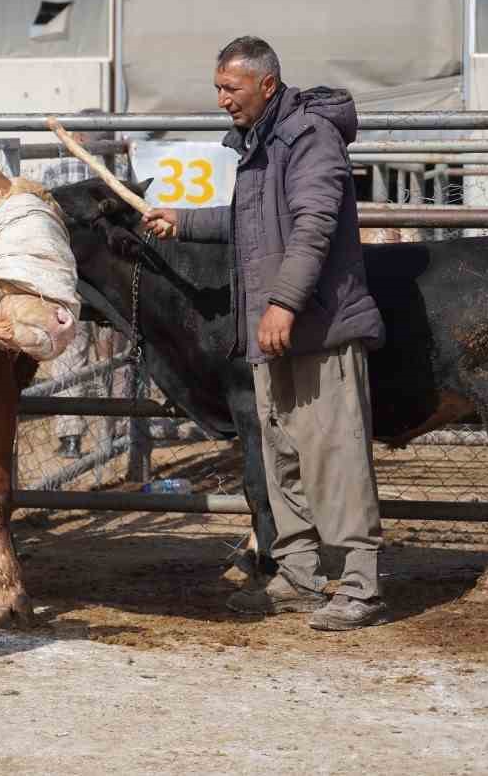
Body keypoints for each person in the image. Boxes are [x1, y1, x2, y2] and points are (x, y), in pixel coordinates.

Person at [142, 35, 388, 631]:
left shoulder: (309, 137)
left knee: (335, 453)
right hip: (274, 330)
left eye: (231, 88)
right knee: (283, 458)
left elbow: (313, 227)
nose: (222, 99)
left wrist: (281, 303)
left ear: (267, 84)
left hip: (317, 327)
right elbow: (249, 222)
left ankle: (360, 586)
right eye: (218, 89)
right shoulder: (260, 145)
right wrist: (184, 222)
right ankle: (300, 576)